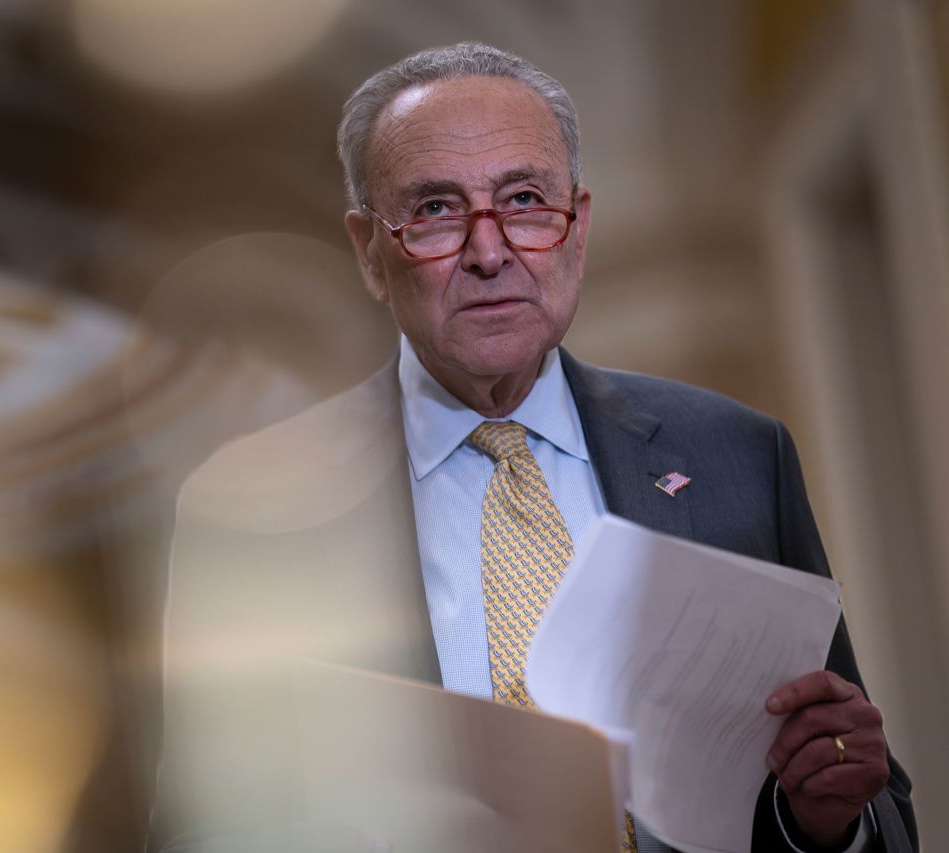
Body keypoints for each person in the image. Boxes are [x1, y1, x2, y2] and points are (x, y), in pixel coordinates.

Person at [152, 42, 917, 853]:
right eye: (436, 211)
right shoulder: (252, 508)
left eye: (524, 199)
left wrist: (831, 824)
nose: (489, 253)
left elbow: (865, 800)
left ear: (577, 229)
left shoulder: (737, 455)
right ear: (370, 253)